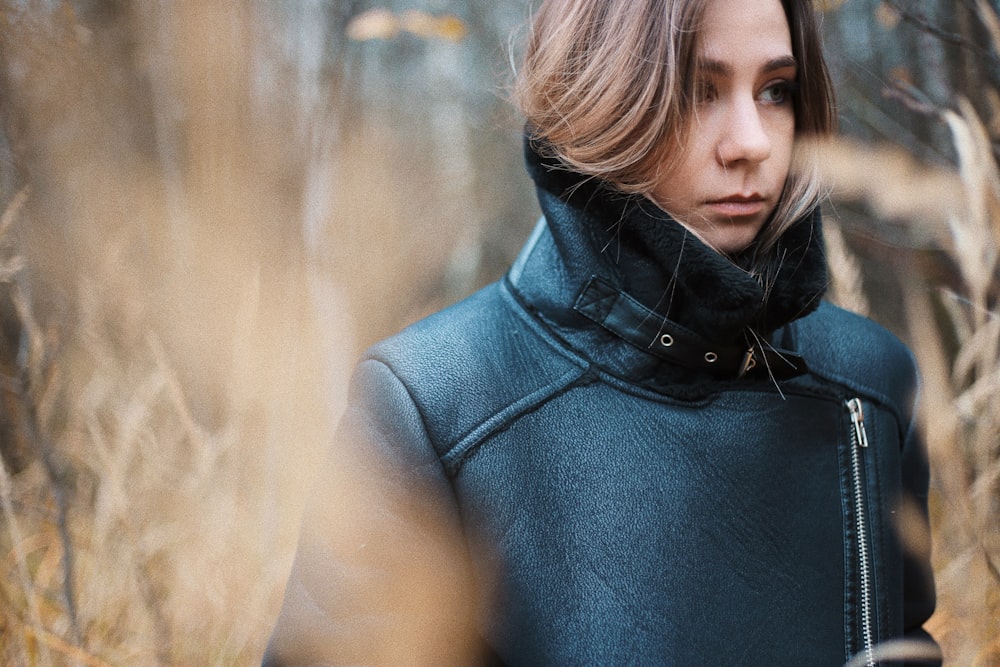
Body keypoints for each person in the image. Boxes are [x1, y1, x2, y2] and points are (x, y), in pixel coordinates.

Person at [264, 0, 939, 664]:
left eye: (775, 91)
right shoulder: (433, 405)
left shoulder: (870, 382)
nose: (752, 143)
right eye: (697, 92)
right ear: (602, 98)